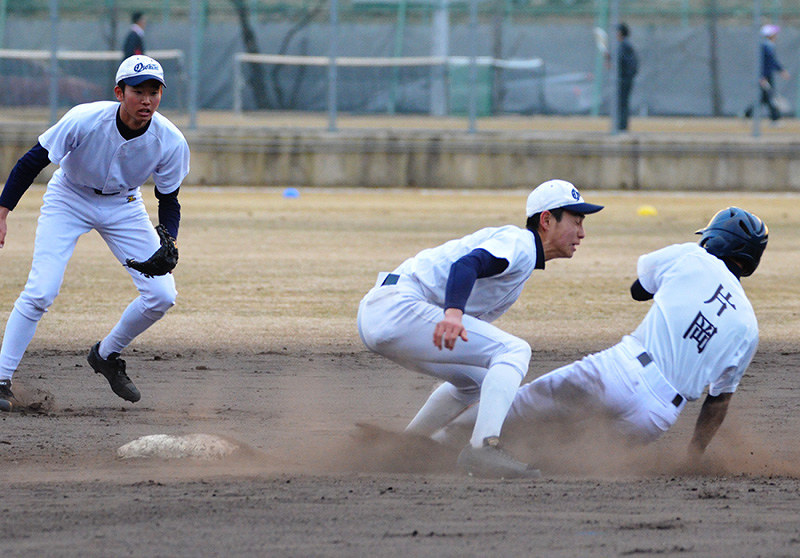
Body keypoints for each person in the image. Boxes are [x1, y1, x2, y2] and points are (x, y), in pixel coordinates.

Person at [434, 207, 768, 468]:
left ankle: (433, 446)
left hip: (617, 373)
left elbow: (639, 290)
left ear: (715, 240)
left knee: (518, 409)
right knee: (569, 456)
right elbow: (718, 401)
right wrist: (694, 454)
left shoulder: (692, 257)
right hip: (657, 415)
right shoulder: (748, 327)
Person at [357, 179, 604, 478]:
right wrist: (453, 314)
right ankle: (482, 450)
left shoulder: (521, 260)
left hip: (387, 312)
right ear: (547, 220)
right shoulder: (521, 244)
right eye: (576, 221)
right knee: (514, 350)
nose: (582, 233)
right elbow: (466, 265)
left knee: (479, 380)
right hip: (397, 307)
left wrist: (452, 315)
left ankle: (405, 447)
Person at [0, 55, 190, 411]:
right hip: (69, 196)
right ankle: (0, 378)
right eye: (138, 91)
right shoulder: (85, 119)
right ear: (119, 92)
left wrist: (169, 239)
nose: (146, 99)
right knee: (41, 291)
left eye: (154, 91)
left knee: (162, 295)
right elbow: (33, 160)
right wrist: (2, 211)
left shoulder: (170, 140)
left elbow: (169, 198)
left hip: (124, 205)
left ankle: (106, 354)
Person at [744, 24, 790, 125]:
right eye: (774, 33)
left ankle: (747, 114)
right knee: (769, 98)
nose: (776, 35)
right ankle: (775, 119)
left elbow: (772, 62)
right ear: (770, 35)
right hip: (765, 76)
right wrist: (762, 76)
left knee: (764, 98)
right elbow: (764, 63)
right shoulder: (765, 47)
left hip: (767, 75)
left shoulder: (769, 46)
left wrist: (781, 70)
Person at [614, 22, 638, 132]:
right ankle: (621, 126)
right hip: (625, 78)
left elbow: (621, 61)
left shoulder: (624, 45)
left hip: (624, 78)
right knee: (622, 102)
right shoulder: (625, 45)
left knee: (622, 102)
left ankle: (622, 127)